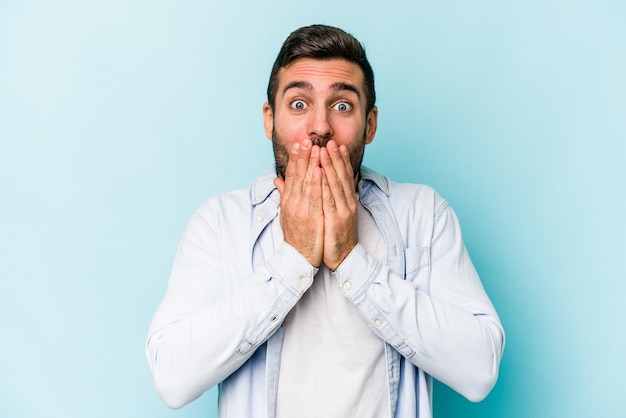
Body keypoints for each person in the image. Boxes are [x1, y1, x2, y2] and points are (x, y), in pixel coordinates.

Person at [146, 24, 505, 418]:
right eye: (299, 104)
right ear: (270, 119)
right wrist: (293, 260)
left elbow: (479, 370)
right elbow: (172, 378)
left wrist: (352, 259)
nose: (320, 127)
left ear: (370, 124)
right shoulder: (219, 222)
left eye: (342, 106)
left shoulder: (423, 214)